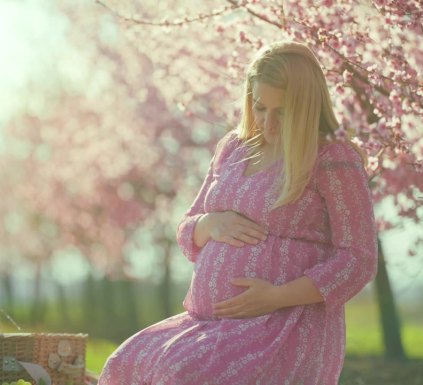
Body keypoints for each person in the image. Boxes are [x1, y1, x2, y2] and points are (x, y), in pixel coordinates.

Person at [99, 41, 378, 385]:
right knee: (124, 363)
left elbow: (358, 259)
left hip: (284, 325)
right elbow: (186, 229)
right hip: (206, 322)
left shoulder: (331, 157)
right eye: (260, 108)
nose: (268, 122)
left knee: (184, 376)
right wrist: (209, 224)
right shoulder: (234, 147)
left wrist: (276, 296)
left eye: (283, 112)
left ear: (306, 105)